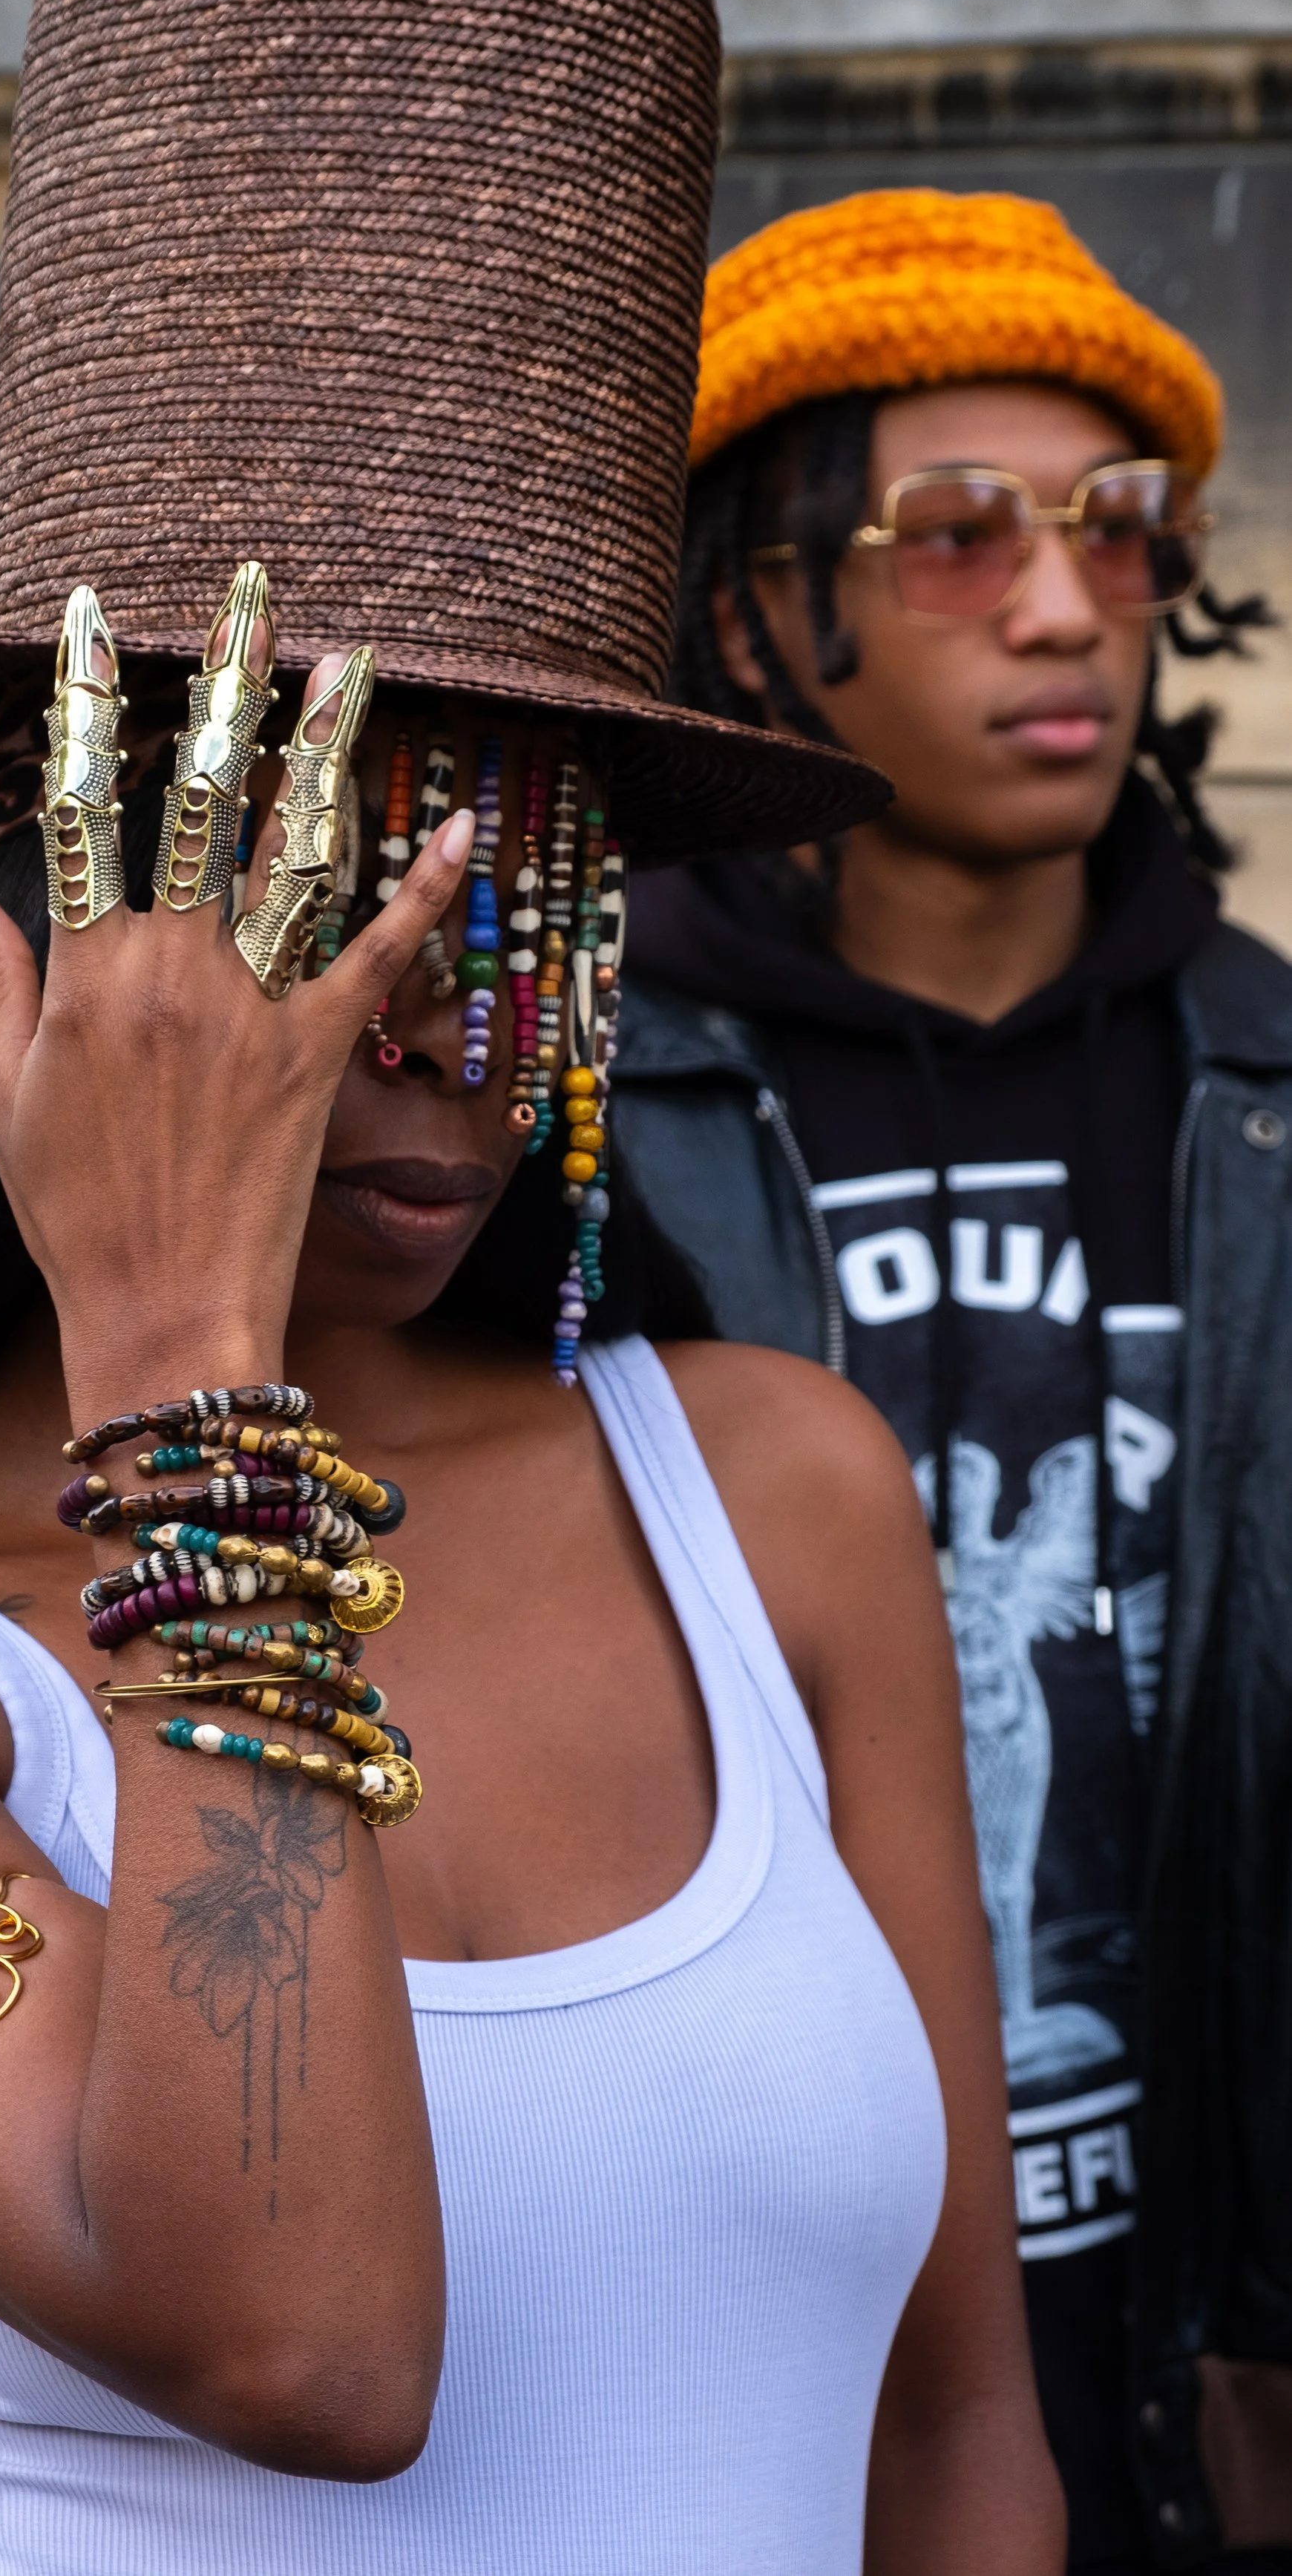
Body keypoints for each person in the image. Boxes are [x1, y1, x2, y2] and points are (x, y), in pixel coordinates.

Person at [0, 0, 1060, 2574]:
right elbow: (308, 2347)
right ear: (32, 934)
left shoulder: (768, 1488)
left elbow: (955, 2431)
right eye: (281, 931)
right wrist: (178, 1359)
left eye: (513, 938)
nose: (409, 1056)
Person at [621, 186, 1292, 2572]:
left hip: (1201, 2359)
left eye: (1117, 531)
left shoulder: (1267, 1093)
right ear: (741, 600)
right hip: (714, 2365)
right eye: (949, 533)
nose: (1055, 605)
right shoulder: (546, 1124)